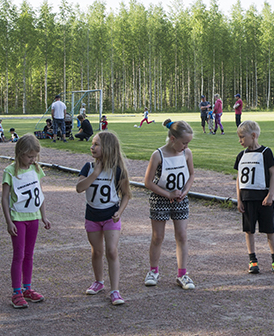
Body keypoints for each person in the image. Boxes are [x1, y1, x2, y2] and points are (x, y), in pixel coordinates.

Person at [77, 131, 132, 305]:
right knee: (97, 251)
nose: (92, 147)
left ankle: (115, 290)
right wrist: (95, 173)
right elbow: (79, 188)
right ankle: (99, 281)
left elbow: (126, 194)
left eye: (96, 144)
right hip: (92, 215)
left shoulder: (117, 170)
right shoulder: (88, 167)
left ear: (107, 148)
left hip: (110, 216)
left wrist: (120, 212)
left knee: (111, 251)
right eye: (92, 144)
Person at [143, 121, 196, 289]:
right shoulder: (158, 155)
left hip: (180, 200)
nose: (186, 146)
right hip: (160, 199)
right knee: (158, 236)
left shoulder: (186, 153)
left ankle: (182, 274)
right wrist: (168, 194)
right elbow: (148, 182)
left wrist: (185, 191)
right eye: (184, 142)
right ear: (173, 139)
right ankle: (153, 271)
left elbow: (191, 174)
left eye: (188, 143)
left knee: (181, 235)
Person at [1, 134, 51, 309]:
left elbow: (40, 194)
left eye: (34, 157)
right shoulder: (9, 171)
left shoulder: (36, 170)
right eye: (29, 157)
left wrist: (43, 216)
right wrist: (9, 221)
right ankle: (16, 292)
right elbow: (5, 199)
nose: (32, 160)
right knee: (19, 255)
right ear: (20, 153)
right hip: (18, 219)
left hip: (33, 217)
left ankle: (27, 288)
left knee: (29, 254)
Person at [234, 120, 274, 276]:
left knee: (269, 229)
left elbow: (273, 174)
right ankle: (252, 259)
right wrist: (239, 199)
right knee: (249, 230)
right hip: (247, 198)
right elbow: (238, 179)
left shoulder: (266, 153)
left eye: (242, 137)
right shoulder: (241, 155)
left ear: (253, 136)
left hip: (263, 198)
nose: (240, 141)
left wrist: (270, 194)